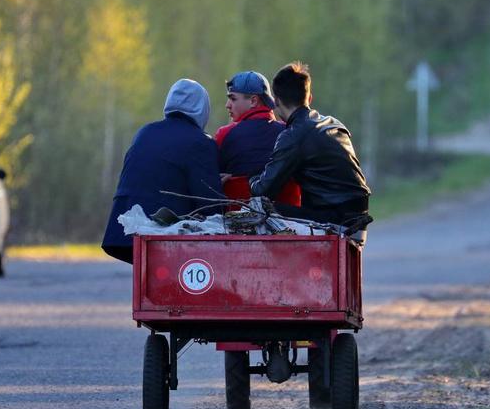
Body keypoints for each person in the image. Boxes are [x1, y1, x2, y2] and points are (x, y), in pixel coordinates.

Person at [101, 79, 224, 264]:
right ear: (202, 109)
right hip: (162, 233)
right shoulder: (200, 142)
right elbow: (210, 203)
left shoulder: (146, 131)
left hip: (125, 229)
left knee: (146, 288)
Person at [249, 62, 371, 228]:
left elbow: (263, 190)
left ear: (276, 101)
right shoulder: (333, 123)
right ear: (309, 98)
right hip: (359, 211)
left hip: (335, 217)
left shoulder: (293, 135)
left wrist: (252, 178)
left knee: (260, 209)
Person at [214, 71, 300, 207]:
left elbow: (212, 181)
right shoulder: (292, 132)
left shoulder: (225, 134)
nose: (227, 105)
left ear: (253, 101)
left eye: (233, 98)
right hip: (291, 222)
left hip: (237, 221)